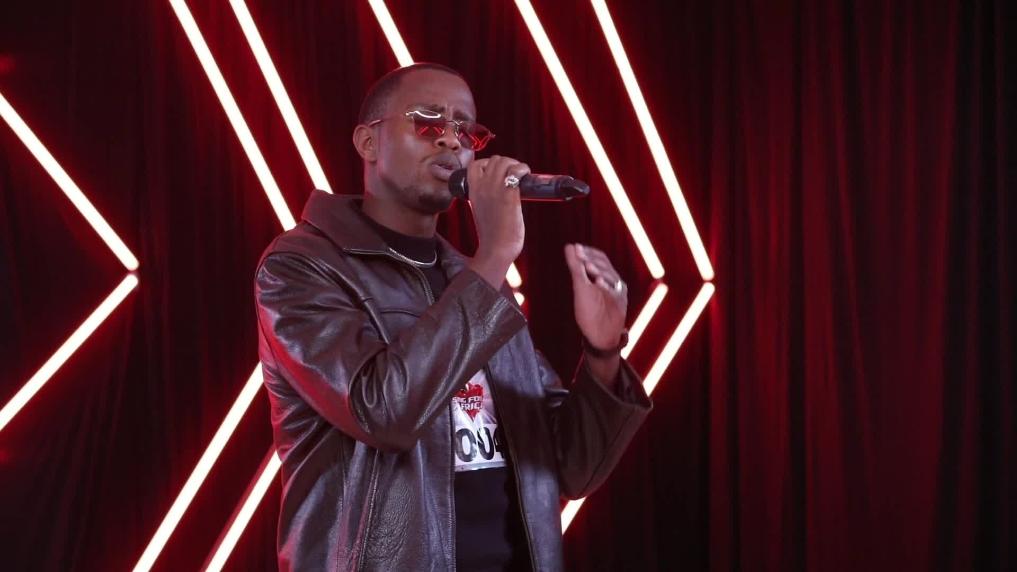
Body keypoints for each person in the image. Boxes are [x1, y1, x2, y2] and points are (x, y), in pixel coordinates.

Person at [254, 62, 651, 572]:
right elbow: (383, 413)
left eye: (466, 130)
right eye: (427, 122)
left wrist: (602, 354)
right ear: (368, 143)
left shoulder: (476, 281)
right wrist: (496, 252)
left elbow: (569, 468)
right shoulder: (300, 267)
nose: (450, 140)